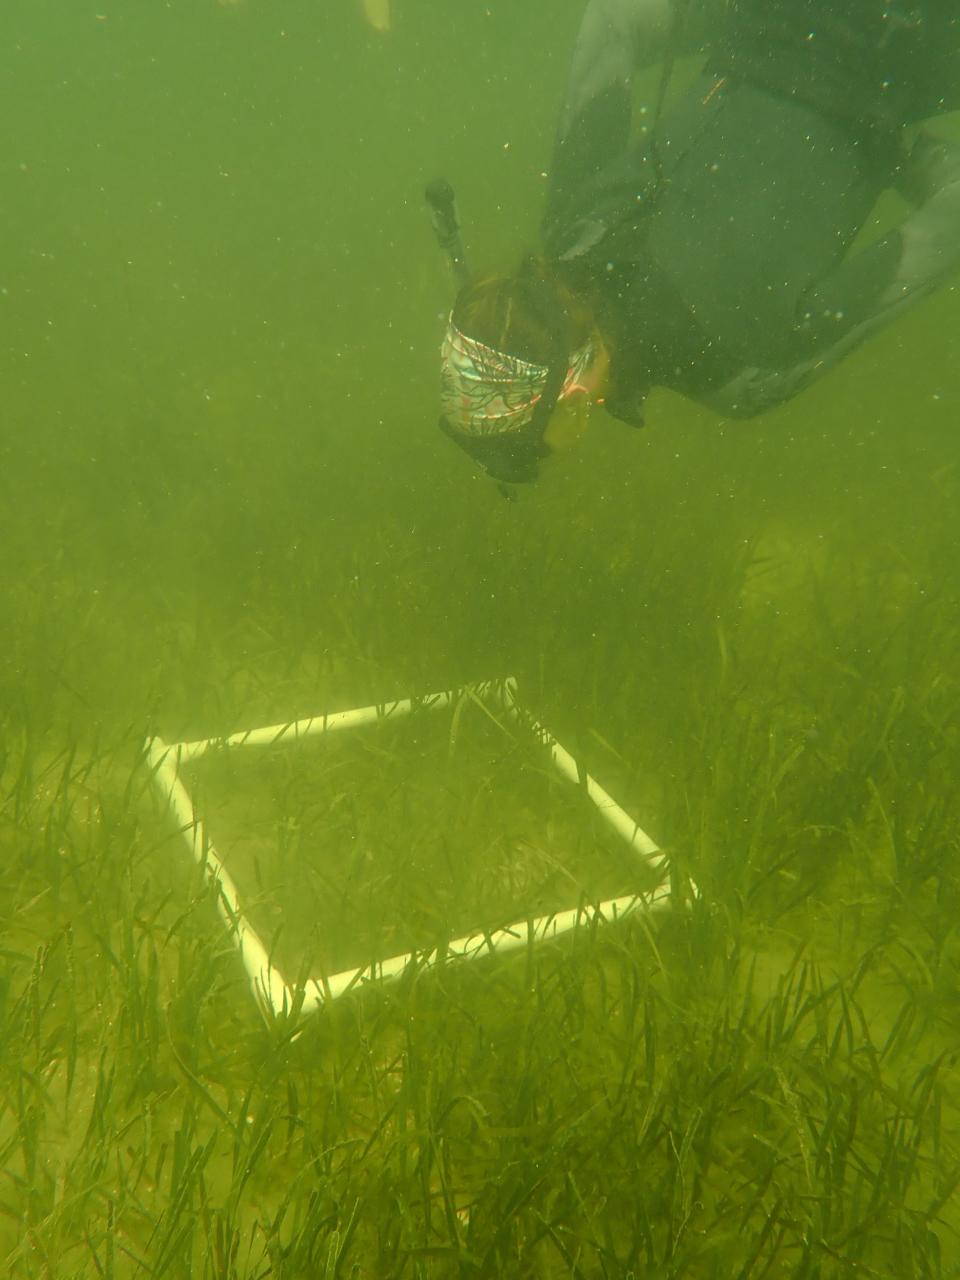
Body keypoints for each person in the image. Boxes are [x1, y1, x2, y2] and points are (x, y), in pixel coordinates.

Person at [437, 0, 960, 484]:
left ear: (571, 407)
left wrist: (888, 137)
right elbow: (614, 19)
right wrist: (760, 25)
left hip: (913, 41)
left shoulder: (739, 372)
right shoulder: (571, 223)